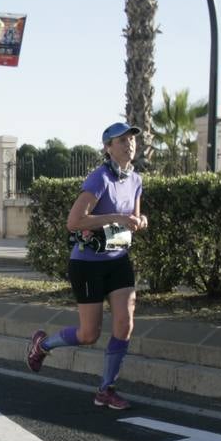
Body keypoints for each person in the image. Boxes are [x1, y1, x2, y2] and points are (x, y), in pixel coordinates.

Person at [25, 121, 147, 410]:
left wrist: (139, 221)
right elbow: (74, 221)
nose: (129, 143)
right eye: (121, 140)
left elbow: (136, 218)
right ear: (107, 147)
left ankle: (106, 389)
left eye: (131, 138)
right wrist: (116, 217)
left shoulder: (136, 180)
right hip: (88, 263)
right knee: (89, 334)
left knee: (125, 323)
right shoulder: (99, 178)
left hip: (118, 259)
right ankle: (42, 345)